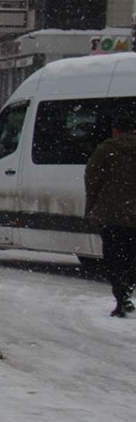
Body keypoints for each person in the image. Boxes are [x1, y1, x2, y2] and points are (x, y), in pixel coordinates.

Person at [85, 111, 136, 318]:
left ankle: (121, 297)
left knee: (115, 259)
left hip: (112, 217)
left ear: (115, 131)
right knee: (133, 257)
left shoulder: (105, 150)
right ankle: (128, 290)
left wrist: (91, 209)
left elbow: (92, 180)